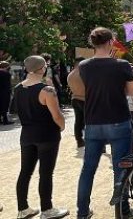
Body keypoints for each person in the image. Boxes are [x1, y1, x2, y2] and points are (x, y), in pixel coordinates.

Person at [76, 27, 133, 219]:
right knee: (121, 167)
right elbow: (131, 91)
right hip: (118, 120)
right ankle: (122, 211)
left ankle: (83, 213)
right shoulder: (122, 65)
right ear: (111, 42)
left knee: (88, 169)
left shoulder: (84, 66)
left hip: (93, 122)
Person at [14, 56, 69, 219]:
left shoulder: (17, 88)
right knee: (45, 173)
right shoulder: (47, 90)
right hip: (47, 135)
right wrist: (62, 126)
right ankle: (47, 209)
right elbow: (57, 115)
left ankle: (23, 209)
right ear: (42, 68)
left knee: (25, 172)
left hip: (26, 135)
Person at [67, 57, 86, 148]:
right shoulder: (83, 73)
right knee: (90, 122)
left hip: (75, 99)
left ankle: (79, 140)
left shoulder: (70, 75)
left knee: (78, 122)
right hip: (85, 100)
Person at [0, 61, 14, 125]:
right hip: (5, 92)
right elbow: (8, 84)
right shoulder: (7, 74)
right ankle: (5, 120)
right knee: (5, 106)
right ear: (6, 67)